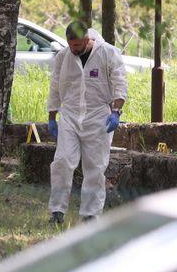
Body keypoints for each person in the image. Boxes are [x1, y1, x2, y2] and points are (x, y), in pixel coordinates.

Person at [47, 20, 127, 224]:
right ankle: (57, 211)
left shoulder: (108, 53)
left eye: (77, 45)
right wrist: (52, 117)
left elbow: (119, 83)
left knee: (95, 167)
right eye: (70, 44)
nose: (73, 49)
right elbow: (55, 86)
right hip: (70, 116)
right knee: (62, 161)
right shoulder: (63, 57)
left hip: (99, 116)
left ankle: (90, 215)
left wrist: (116, 111)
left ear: (87, 39)